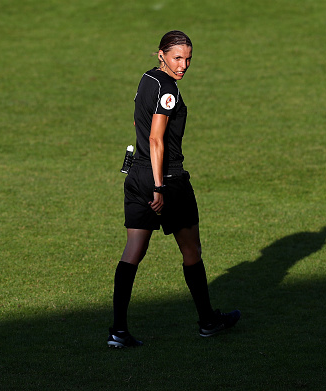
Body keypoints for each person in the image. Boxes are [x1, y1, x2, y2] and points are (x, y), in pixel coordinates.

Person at [107, 31, 240, 348]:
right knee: (191, 250)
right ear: (161, 55)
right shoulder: (168, 90)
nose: (184, 65)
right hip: (166, 179)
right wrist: (159, 187)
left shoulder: (147, 79)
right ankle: (208, 321)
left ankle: (118, 331)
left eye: (188, 58)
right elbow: (156, 139)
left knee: (132, 252)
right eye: (178, 57)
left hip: (136, 173)